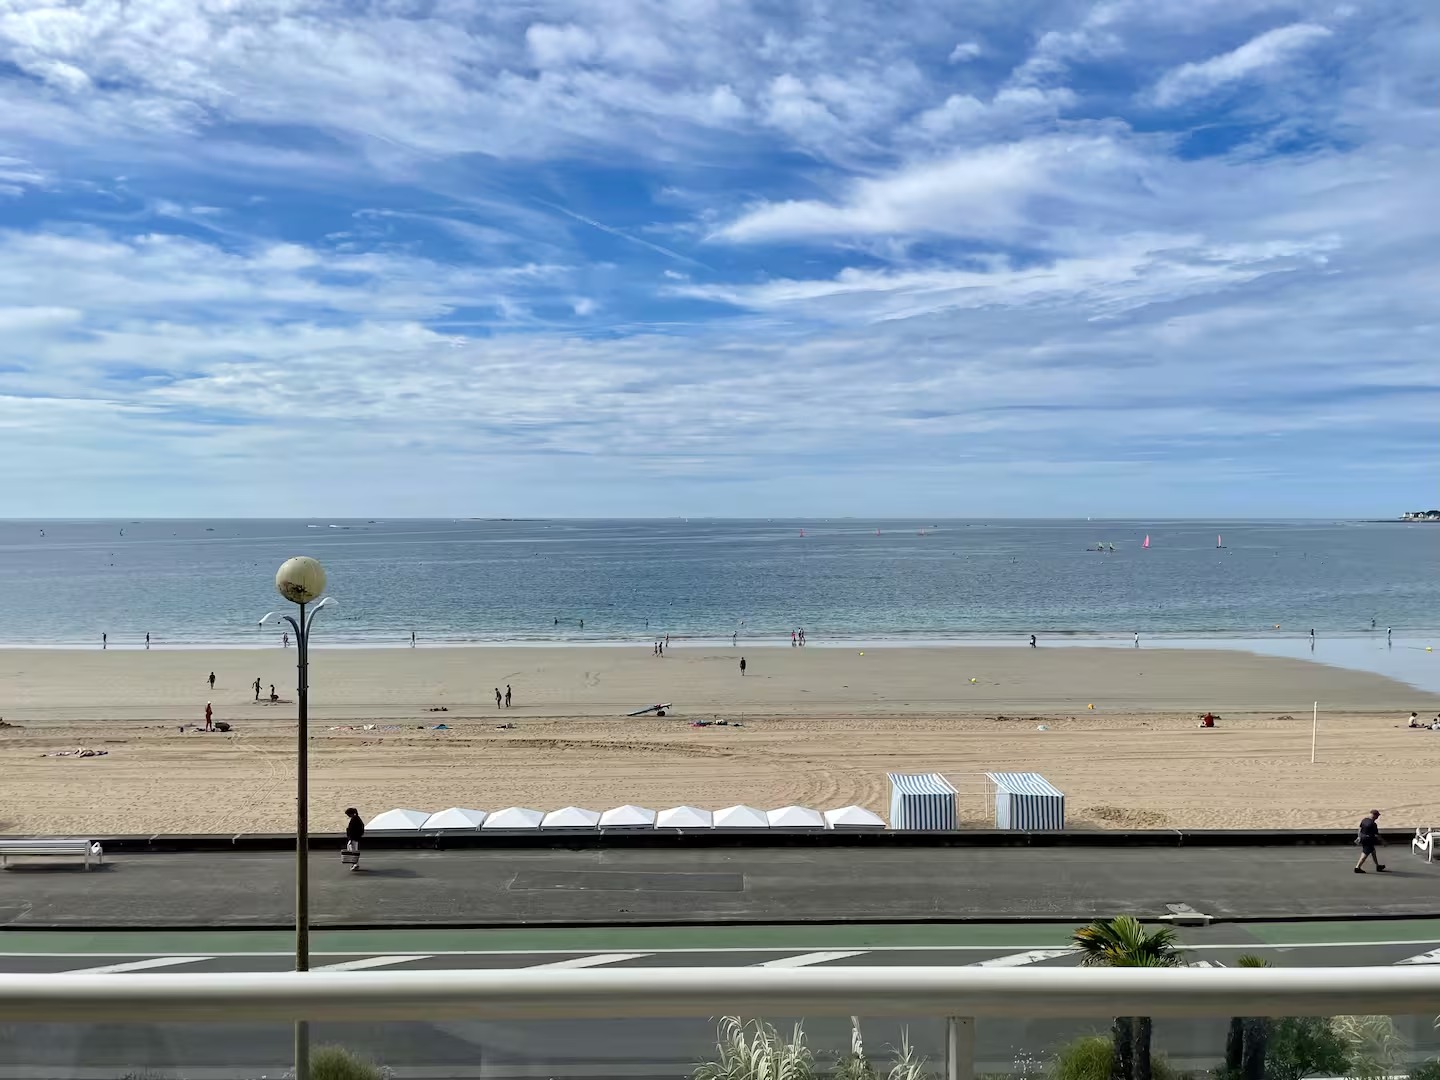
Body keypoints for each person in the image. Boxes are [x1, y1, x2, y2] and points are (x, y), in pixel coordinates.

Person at [343, 807, 365, 872]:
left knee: (353, 851)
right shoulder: (356, 818)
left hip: (354, 838)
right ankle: (355, 864)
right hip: (355, 838)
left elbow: (352, 830)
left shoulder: (354, 820)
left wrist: (351, 838)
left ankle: (355, 864)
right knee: (353, 851)